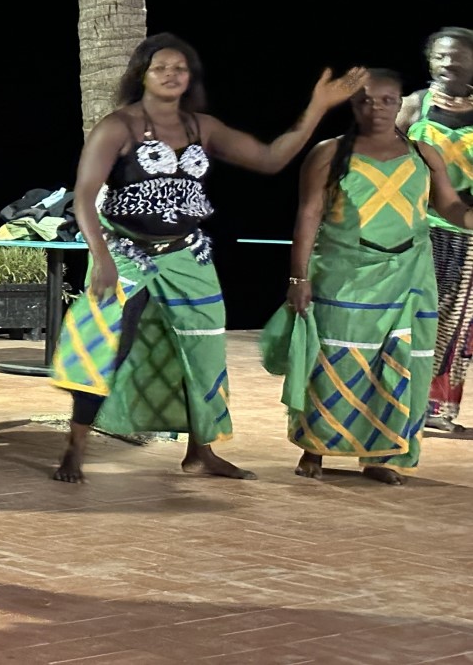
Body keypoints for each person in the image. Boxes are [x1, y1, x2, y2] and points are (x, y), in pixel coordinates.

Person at [49, 32, 365, 484]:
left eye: (180, 68)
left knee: (205, 350)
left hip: (188, 254)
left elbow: (271, 158)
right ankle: (75, 447)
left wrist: (317, 106)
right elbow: (84, 197)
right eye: (160, 67)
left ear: (190, 77)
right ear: (142, 75)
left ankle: (201, 452)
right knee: (105, 348)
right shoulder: (117, 127)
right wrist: (101, 258)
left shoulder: (202, 128)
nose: (171, 74)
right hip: (127, 252)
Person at [262, 69, 469, 484]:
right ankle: (315, 448)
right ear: (353, 104)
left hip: (410, 278)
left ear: (400, 103)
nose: (376, 108)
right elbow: (308, 217)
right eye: (365, 100)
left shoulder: (423, 153)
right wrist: (298, 279)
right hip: (344, 275)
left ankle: (380, 455)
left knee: (399, 366)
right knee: (334, 364)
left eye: (387, 100)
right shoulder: (329, 153)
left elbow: (449, 206)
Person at [398, 27, 473, 432]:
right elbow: (383, 157)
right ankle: (397, 399)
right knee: (412, 315)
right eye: (441, 56)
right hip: (415, 228)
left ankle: (435, 409)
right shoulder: (414, 105)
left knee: (454, 324)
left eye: (458, 55)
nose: (449, 63)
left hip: (467, 232)